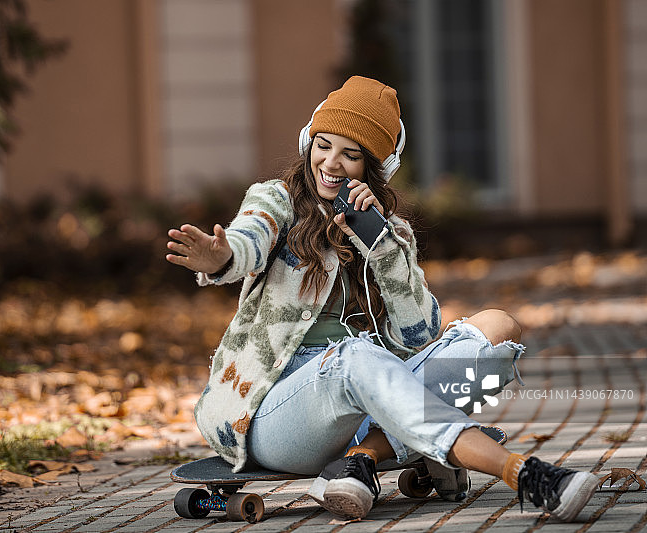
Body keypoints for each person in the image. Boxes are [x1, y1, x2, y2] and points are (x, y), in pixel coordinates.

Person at [166, 76, 598, 521]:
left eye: (350, 155)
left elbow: (421, 336)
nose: (331, 163)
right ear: (307, 143)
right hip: (274, 417)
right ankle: (526, 475)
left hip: (370, 405)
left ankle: (361, 463)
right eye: (323, 145)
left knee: (496, 329)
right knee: (354, 356)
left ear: (375, 168)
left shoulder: (391, 234)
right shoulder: (279, 201)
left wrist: (383, 247)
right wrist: (222, 255)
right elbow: (250, 237)